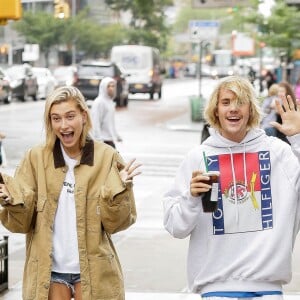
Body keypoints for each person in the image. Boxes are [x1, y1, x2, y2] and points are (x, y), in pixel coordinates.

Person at [163, 75, 300, 299]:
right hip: (215, 287)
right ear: (215, 110)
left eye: (240, 102)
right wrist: (191, 197)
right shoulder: (198, 158)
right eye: (226, 102)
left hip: (268, 287)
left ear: (251, 109)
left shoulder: (279, 153)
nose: (233, 109)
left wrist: (298, 139)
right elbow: (175, 227)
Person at [0, 86, 141, 300]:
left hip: (94, 272)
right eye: (56, 118)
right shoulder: (35, 158)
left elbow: (117, 224)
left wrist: (118, 193)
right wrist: (11, 201)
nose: (63, 125)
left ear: (84, 116)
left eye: (70, 116)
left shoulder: (107, 157)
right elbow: (20, 224)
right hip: (49, 274)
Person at [91, 77, 123, 149]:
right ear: (103, 87)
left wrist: (116, 136)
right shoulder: (99, 102)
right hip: (103, 140)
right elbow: (95, 121)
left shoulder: (110, 102)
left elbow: (110, 123)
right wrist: (98, 140)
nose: (111, 88)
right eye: (108, 86)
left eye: (113, 86)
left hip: (109, 139)